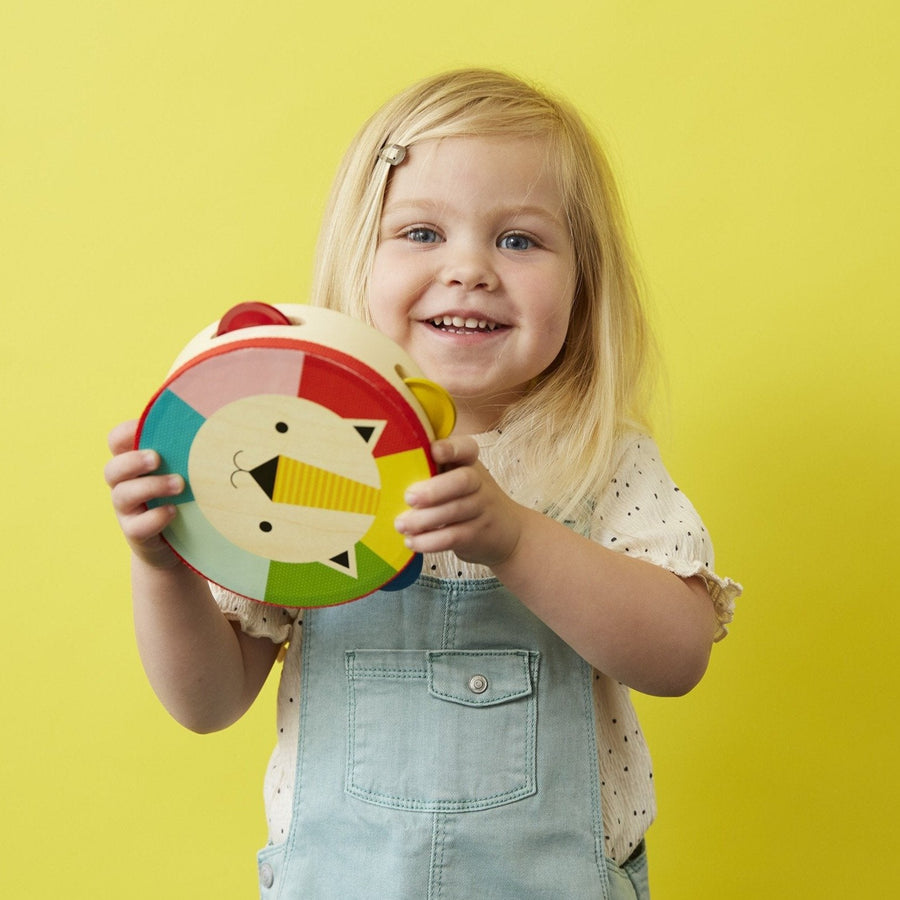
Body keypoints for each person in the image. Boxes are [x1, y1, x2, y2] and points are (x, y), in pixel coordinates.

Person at [105, 68, 740, 899]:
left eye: (519, 240)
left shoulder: (598, 459)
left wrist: (515, 539)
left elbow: (678, 655)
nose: (469, 269)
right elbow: (208, 700)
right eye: (420, 233)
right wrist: (162, 567)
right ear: (358, 258)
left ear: (584, 285)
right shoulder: (297, 458)